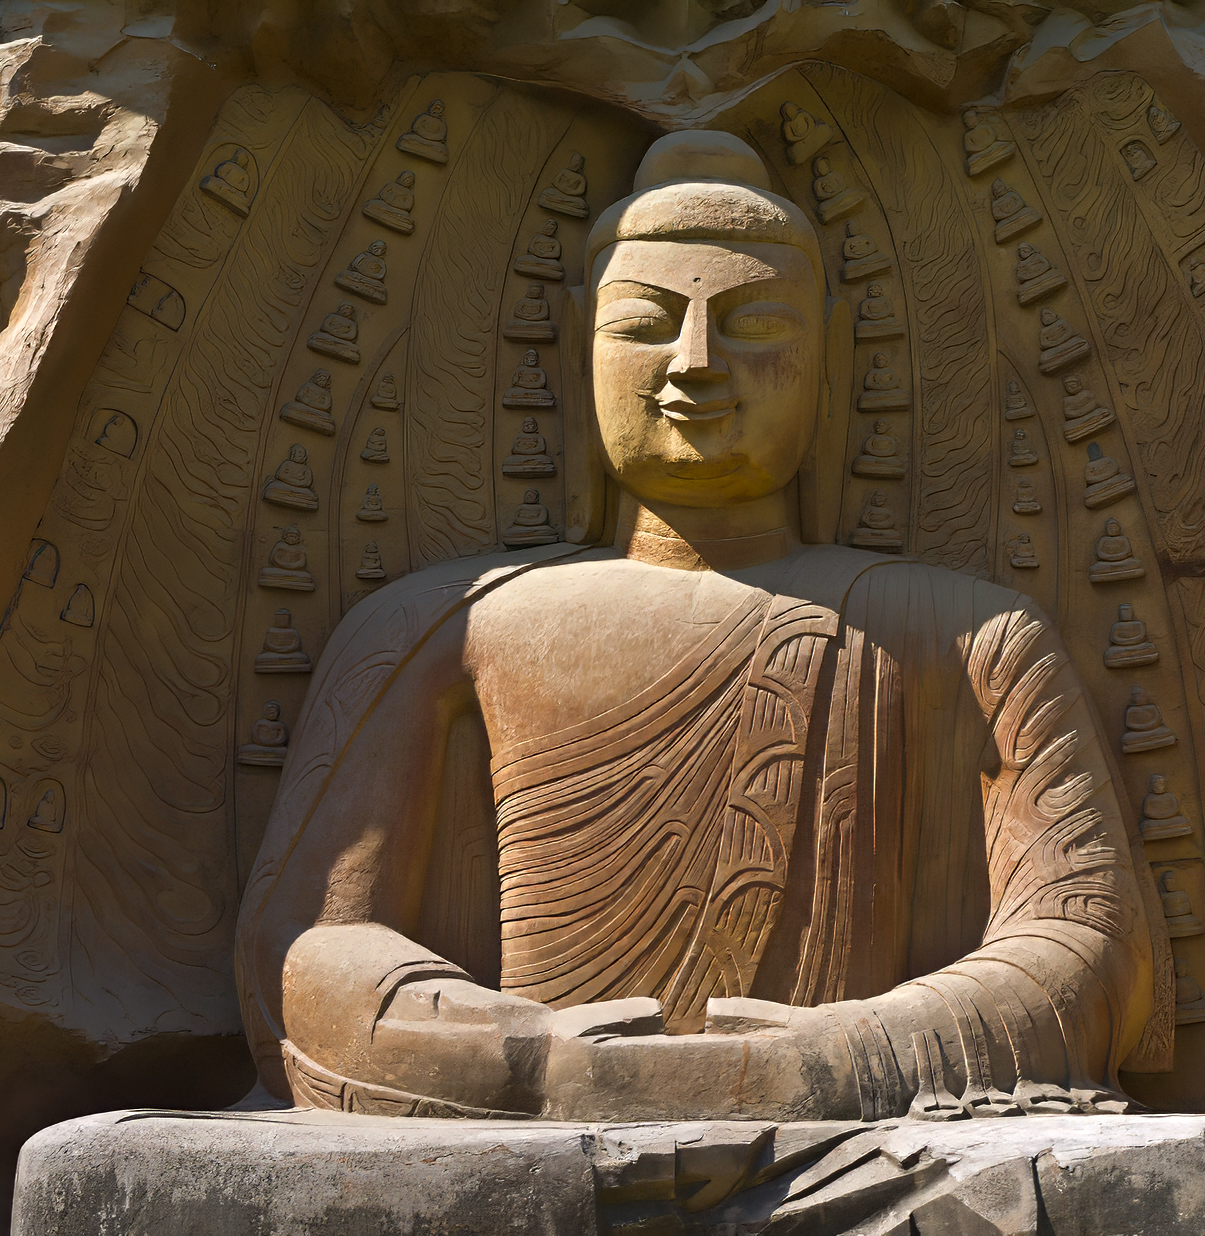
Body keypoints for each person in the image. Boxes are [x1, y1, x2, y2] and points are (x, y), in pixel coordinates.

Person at [236, 130, 1151, 1128]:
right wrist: (529, 1061)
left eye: (756, 324)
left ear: (832, 356)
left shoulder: (967, 634)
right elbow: (303, 946)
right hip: (525, 1138)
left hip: (852, 1134)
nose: (697, 364)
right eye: (644, 325)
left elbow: (1087, 949)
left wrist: (843, 1058)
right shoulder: (442, 627)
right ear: (577, 347)